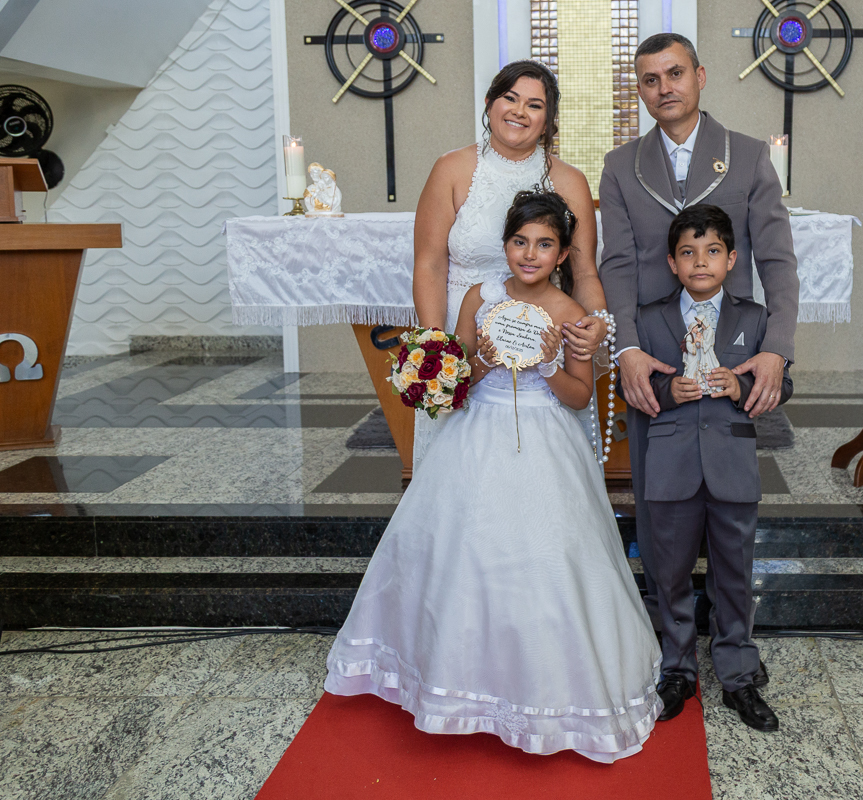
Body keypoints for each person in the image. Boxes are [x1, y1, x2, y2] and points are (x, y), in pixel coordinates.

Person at [324, 190, 662, 763]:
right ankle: (453, 682)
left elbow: (580, 397)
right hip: (476, 433)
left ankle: (544, 694)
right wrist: (480, 357)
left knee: (544, 559)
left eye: (544, 244)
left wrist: (550, 364)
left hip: (544, 438)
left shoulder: (571, 314)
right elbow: (456, 383)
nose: (530, 254)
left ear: (560, 254)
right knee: (463, 551)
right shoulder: (480, 297)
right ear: (505, 245)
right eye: (520, 241)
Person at [598, 32, 800, 681]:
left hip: (729, 359)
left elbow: (776, 260)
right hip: (653, 359)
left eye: (675, 73)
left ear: (700, 75)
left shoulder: (745, 156)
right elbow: (619, 263)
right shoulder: (622, 164)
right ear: (642, 89)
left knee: (731, 513)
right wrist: (625, 348)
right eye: (651, 79)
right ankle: (675, 657)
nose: (665, 88)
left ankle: (738, 653)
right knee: (661, 514)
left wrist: (775, 351)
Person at [626, 204, 792, 731]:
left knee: (734, 576)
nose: (701, 261)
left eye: (713, 251)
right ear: (672, 263)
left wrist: (743, 386)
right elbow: (635, 388)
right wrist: (665, 392)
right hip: (671, 465)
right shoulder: (648, 319)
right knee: (669, 574)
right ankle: (676, 668)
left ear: (732, 259)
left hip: (731, 465)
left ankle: (739, 674)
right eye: (688, 253)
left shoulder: (754, 317)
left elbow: (781, 384)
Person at [410, 60, 609, 471]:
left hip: (540, 338)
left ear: (548, 121)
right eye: (510, 98)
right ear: (489, 103)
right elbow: (429, 263)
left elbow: (585, 270)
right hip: (463, 330)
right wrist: (435, 346)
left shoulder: (570, 181)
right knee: (459, 466)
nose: (519, 111)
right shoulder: (451, 169)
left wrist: (595, 323)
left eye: (534, 105)